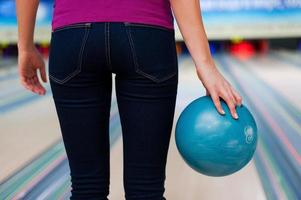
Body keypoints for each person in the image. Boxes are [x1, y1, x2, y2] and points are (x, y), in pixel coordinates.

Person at [16, 0, 242, 199]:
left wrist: (25, 46)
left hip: (72, 35)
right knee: (146, 192)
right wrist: (205, 65)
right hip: (147, 35)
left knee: (86, 189)